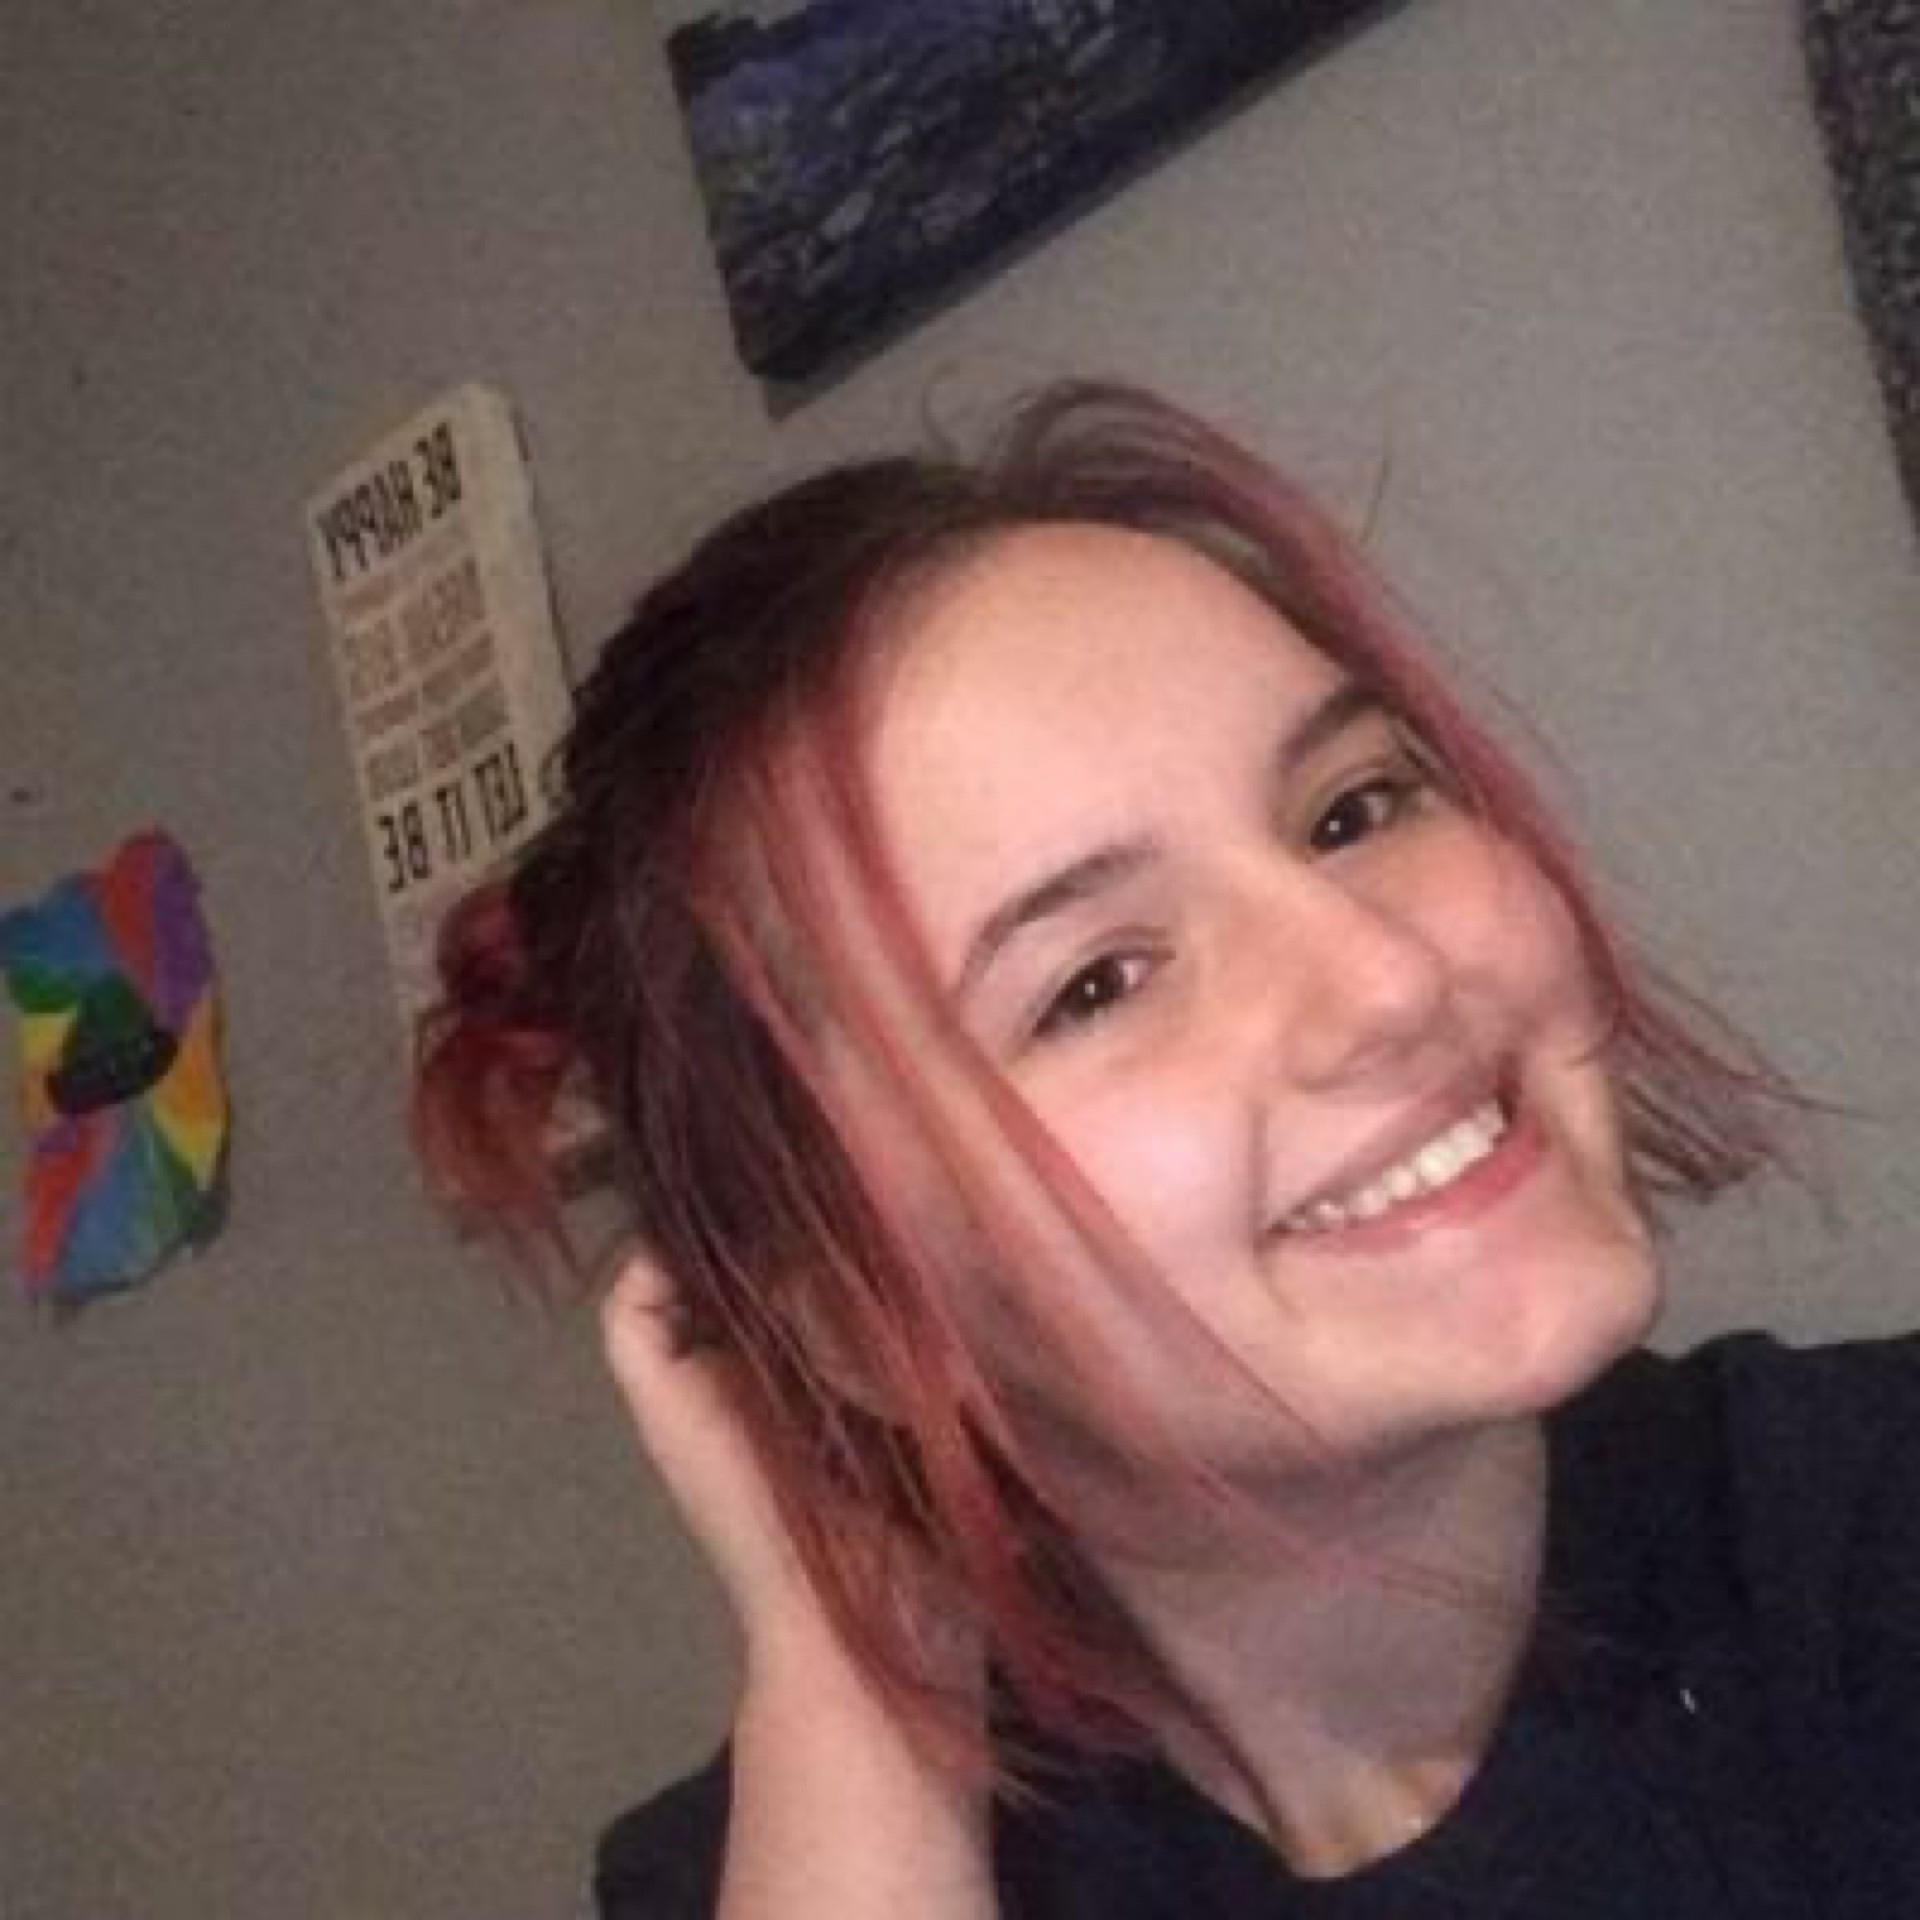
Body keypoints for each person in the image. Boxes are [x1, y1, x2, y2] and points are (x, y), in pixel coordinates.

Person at [414, 383, 1920, 1918]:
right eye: (1099, 983)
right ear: (848, 1315)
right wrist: (854, 1660)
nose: (1388, 982)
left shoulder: (1865, 1539)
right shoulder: (794, 1858)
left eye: (1356, 809)